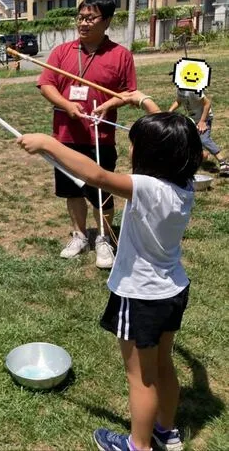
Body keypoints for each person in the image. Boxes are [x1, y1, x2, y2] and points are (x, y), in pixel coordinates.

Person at [18, 91, 202, 451]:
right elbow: (174, 130)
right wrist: (145, 102)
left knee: (141, 379)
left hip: (140, 295)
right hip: (172, 290)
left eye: (135, 145)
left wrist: (48, 143)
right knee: (163, 366)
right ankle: (166, 430)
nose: (130, 150)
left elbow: (97, 175)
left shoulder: (146, 188)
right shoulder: (183, 185)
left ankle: (138, 445)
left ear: (152, 154)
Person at [38, 0, 137, 269]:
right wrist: (66, 105)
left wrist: (109, 104)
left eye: (90, 18)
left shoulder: (120, 55)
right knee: (71, 189)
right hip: (66, 136)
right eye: (80, 17)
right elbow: (47, 85)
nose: (83, 23)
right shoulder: (61, 52)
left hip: (99, 136)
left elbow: (129, 92)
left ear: (106, 21)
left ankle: (104, 239)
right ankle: (79, 234)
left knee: (100, 189)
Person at [169, 87, 229, 176]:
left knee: (204, 139)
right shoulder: (180, 88)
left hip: (204, 119)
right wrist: (169, 111)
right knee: (189, 140)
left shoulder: (194, 90)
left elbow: (207, 103)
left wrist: (202, 121)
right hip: (192, 119)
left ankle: (224, 163)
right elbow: (179, 101)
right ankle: (199, 158)